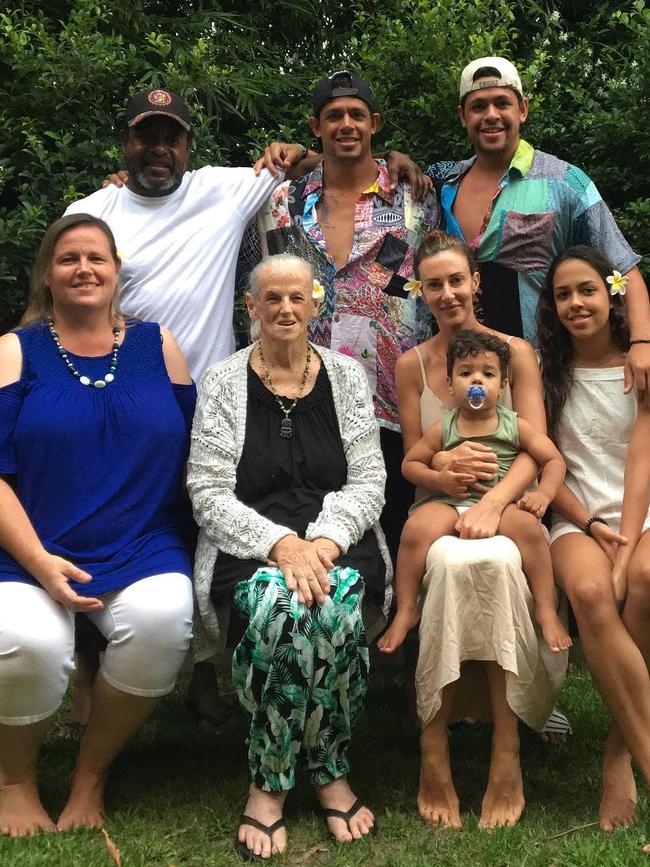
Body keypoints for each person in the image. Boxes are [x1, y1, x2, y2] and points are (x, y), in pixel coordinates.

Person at [187, 253, 390, 859]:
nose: (284, 309)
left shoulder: (348, 376)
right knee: (282, 608)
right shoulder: (223, 381)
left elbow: (369, 478)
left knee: (329, 610)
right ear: (251, 307)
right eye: (270, 298)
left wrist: (323, 541)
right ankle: (296, 776)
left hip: (339, 537)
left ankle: (301, 772)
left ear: (315, 303)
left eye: (296, 297)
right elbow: (206, 489)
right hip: (249, 543)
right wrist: (281, 544)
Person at [0, 214, 194, 836]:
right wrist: (38, 563)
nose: (84, 269)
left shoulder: (156, 345)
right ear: (47, 277)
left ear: (116, 273)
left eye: (96, 259)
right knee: (29, 645)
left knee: (164, 623)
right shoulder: (13, 350)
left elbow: (198, 450)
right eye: (68, 259)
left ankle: (89, 776)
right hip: (32, 548)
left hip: (143, 544)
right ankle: (17, 781)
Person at [394, 230, 568, 830]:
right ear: (420, 290)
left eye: (456, 280)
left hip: (504, 503)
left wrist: (495, 503)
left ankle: (505, 746)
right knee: (445, 560)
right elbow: (416, 456)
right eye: (433, 284)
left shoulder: (512, 353)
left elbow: (530, 446)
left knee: (496, 561)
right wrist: (441, 472)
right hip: (438, 508)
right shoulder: (411, 364)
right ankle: (434, 742)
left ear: (475, 281)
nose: (447, 293)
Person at [257, 70, 439, 563]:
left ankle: (402, 633)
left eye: (356, 114)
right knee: (318, 529)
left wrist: (383, 290)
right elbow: (263, 290)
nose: (346, 124)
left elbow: (430, 287)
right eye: (333, 116)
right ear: (315, 127)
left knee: (402, 529)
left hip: (393, 392)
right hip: (303, 393)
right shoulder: (280, 203)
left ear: (374, 123)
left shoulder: (413, 197)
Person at [426, 56, 650, 400]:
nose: (491, 115)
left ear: (523, 109)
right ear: (462, 116)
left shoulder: (566, 182)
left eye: (503, 103)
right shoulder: (444, 182)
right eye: (478, 106)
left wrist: (642, 343)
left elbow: (623, 268)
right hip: (463, 383)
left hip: (546, 378)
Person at [538, 245, 650, 834]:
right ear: (551, 306)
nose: (576, 304)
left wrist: (628, 539)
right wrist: (592, 527)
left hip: (642, 512)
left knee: (645, 581)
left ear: (610, 293)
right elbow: (545, 462)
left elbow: (641, 455)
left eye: (586, 290)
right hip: (576, 516)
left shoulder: (642, 364)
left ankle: (618, 751)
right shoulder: (543, 372)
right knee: (588, 590)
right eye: (562, 294)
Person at [379, 329, 569, 654]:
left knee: (531, 532)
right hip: (450, 501)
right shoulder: (445, 427)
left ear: (503, 384)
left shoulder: (514, 425)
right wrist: (439, 481)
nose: (476, 381)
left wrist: (544, 495)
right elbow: (410, 464)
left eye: (488, 373)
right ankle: (407, 609)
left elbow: (552, 459)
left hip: (502, 504)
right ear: (451, 386)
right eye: (466, 373)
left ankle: (546, 609)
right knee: (414, 530)